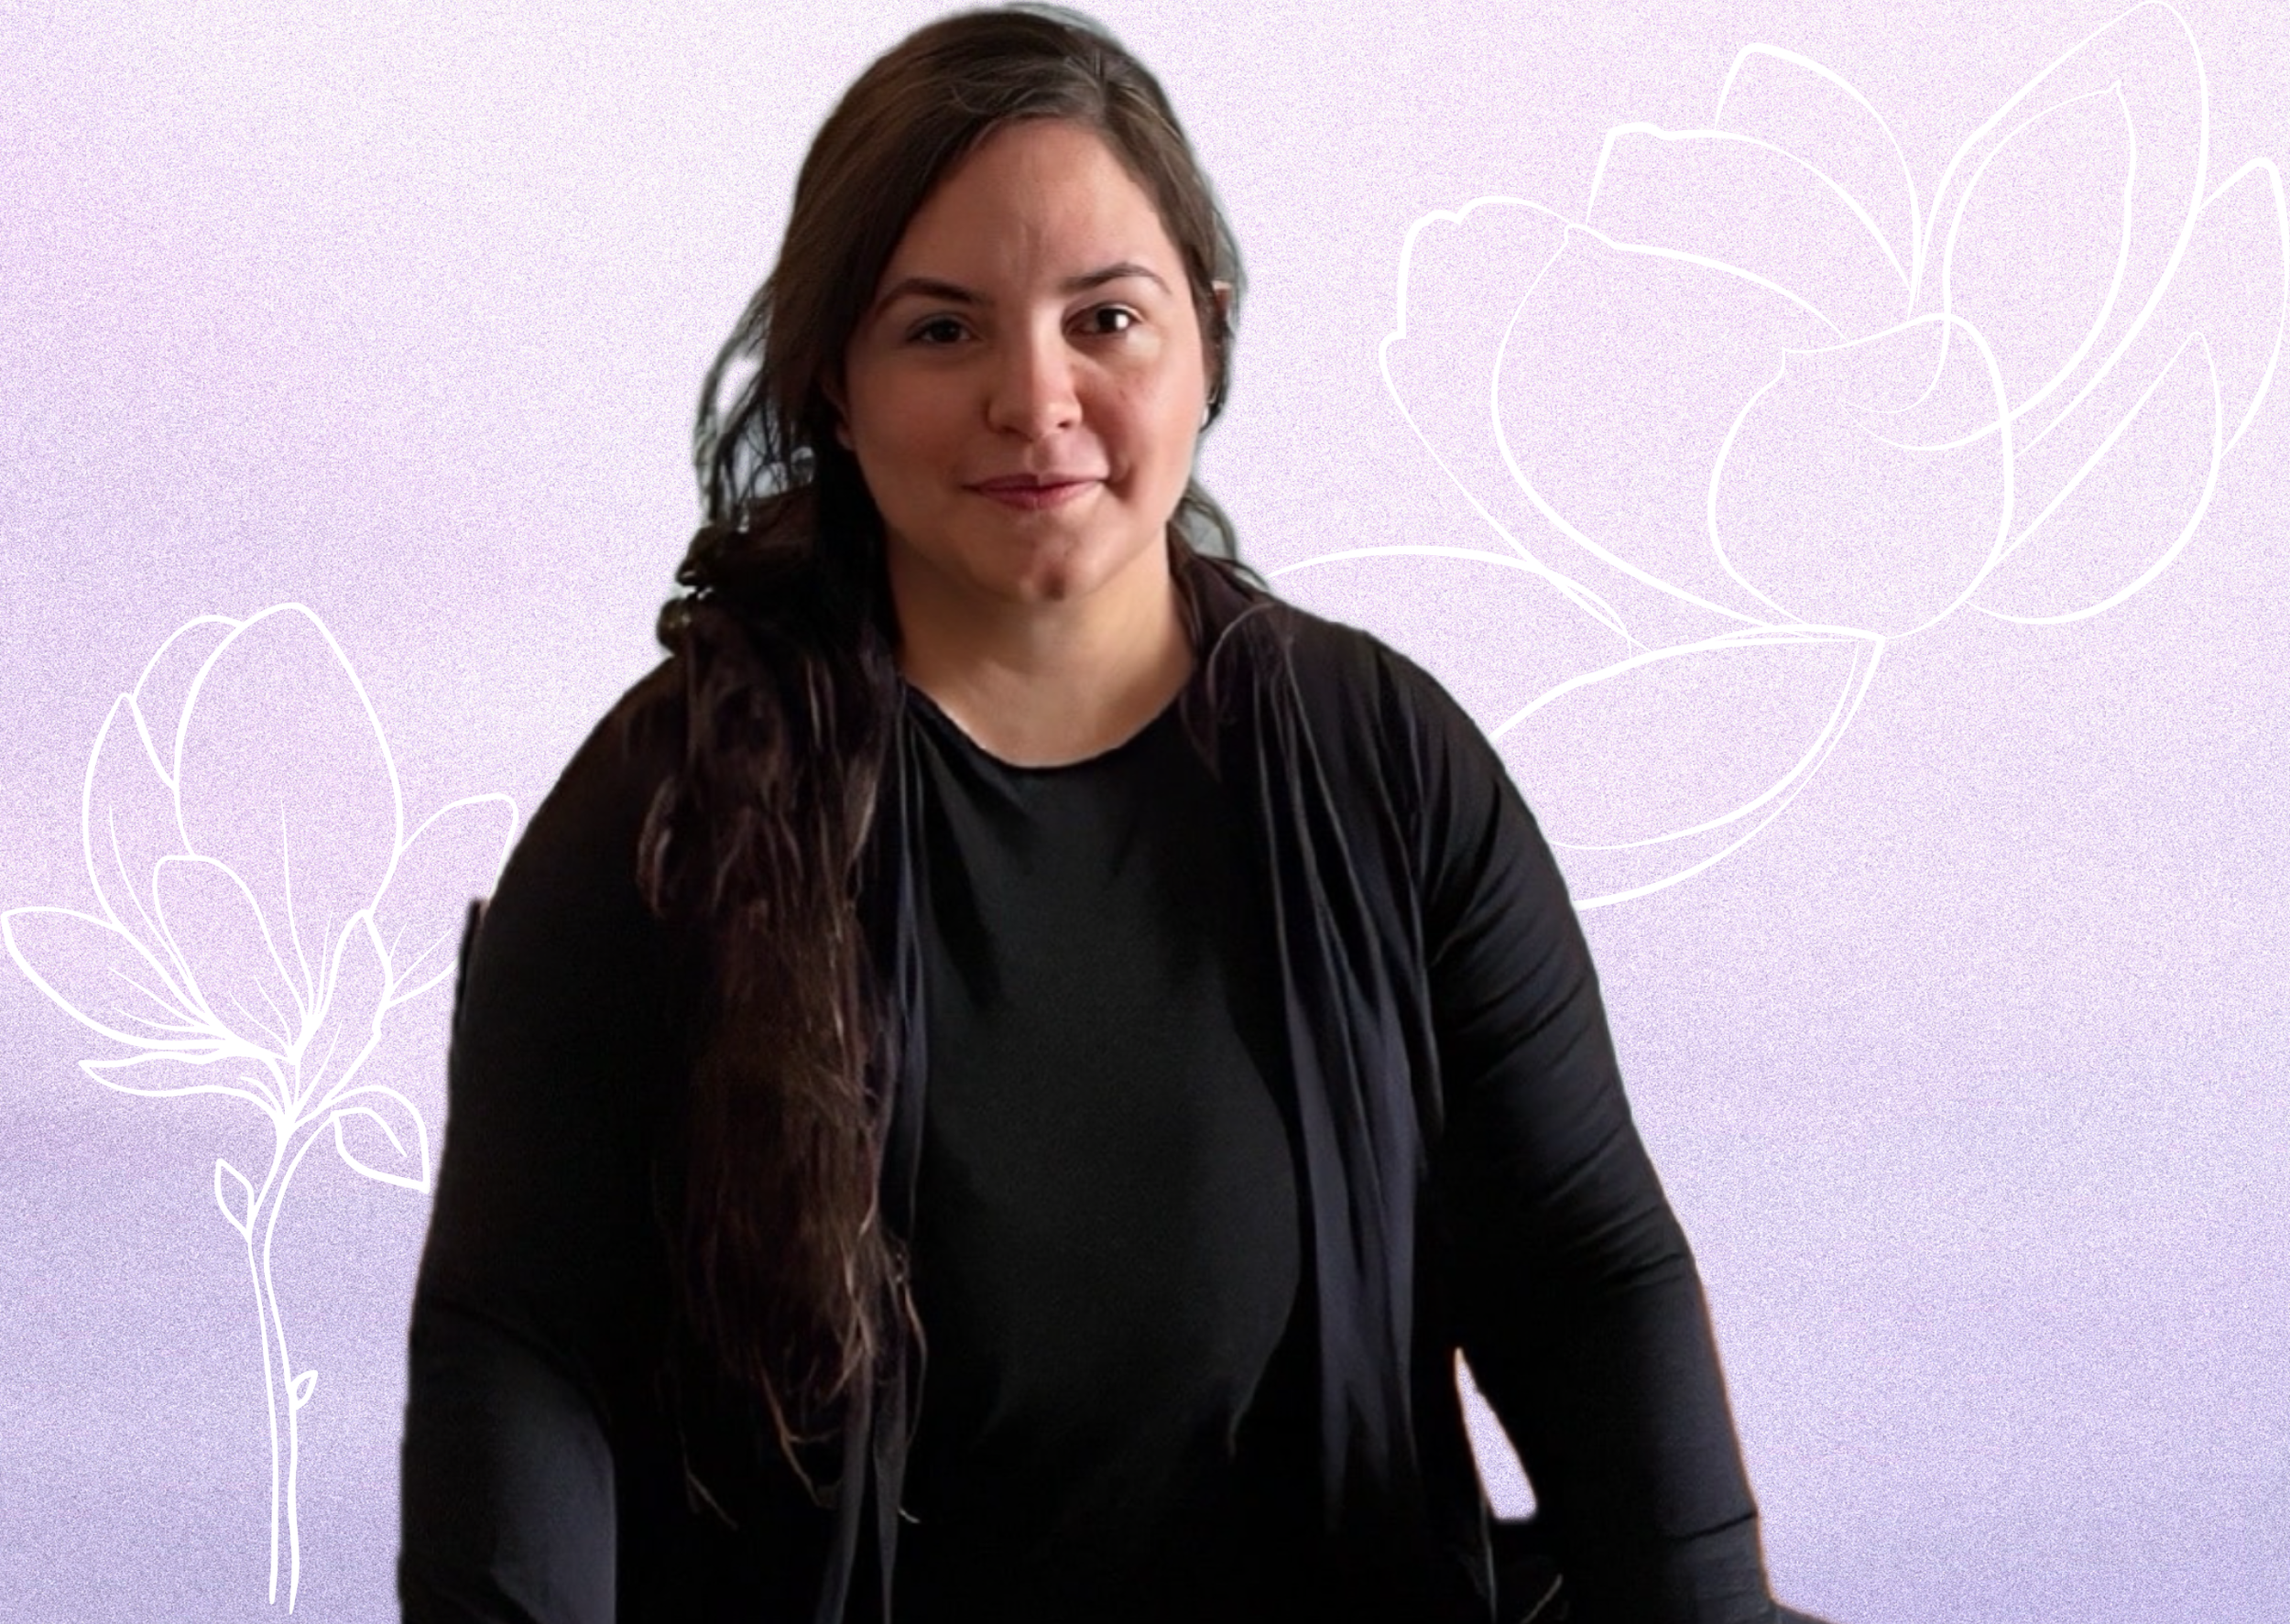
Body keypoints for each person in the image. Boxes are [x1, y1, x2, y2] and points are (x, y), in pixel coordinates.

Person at [398, 6, 1820, 1621]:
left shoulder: (1384, 763)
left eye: (1106, 319)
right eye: (941, 331)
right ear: (834, 391)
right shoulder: (668, 811)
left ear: (1204, 340)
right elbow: (520, 1342)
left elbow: (1578, 1262)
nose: (1035, 397)